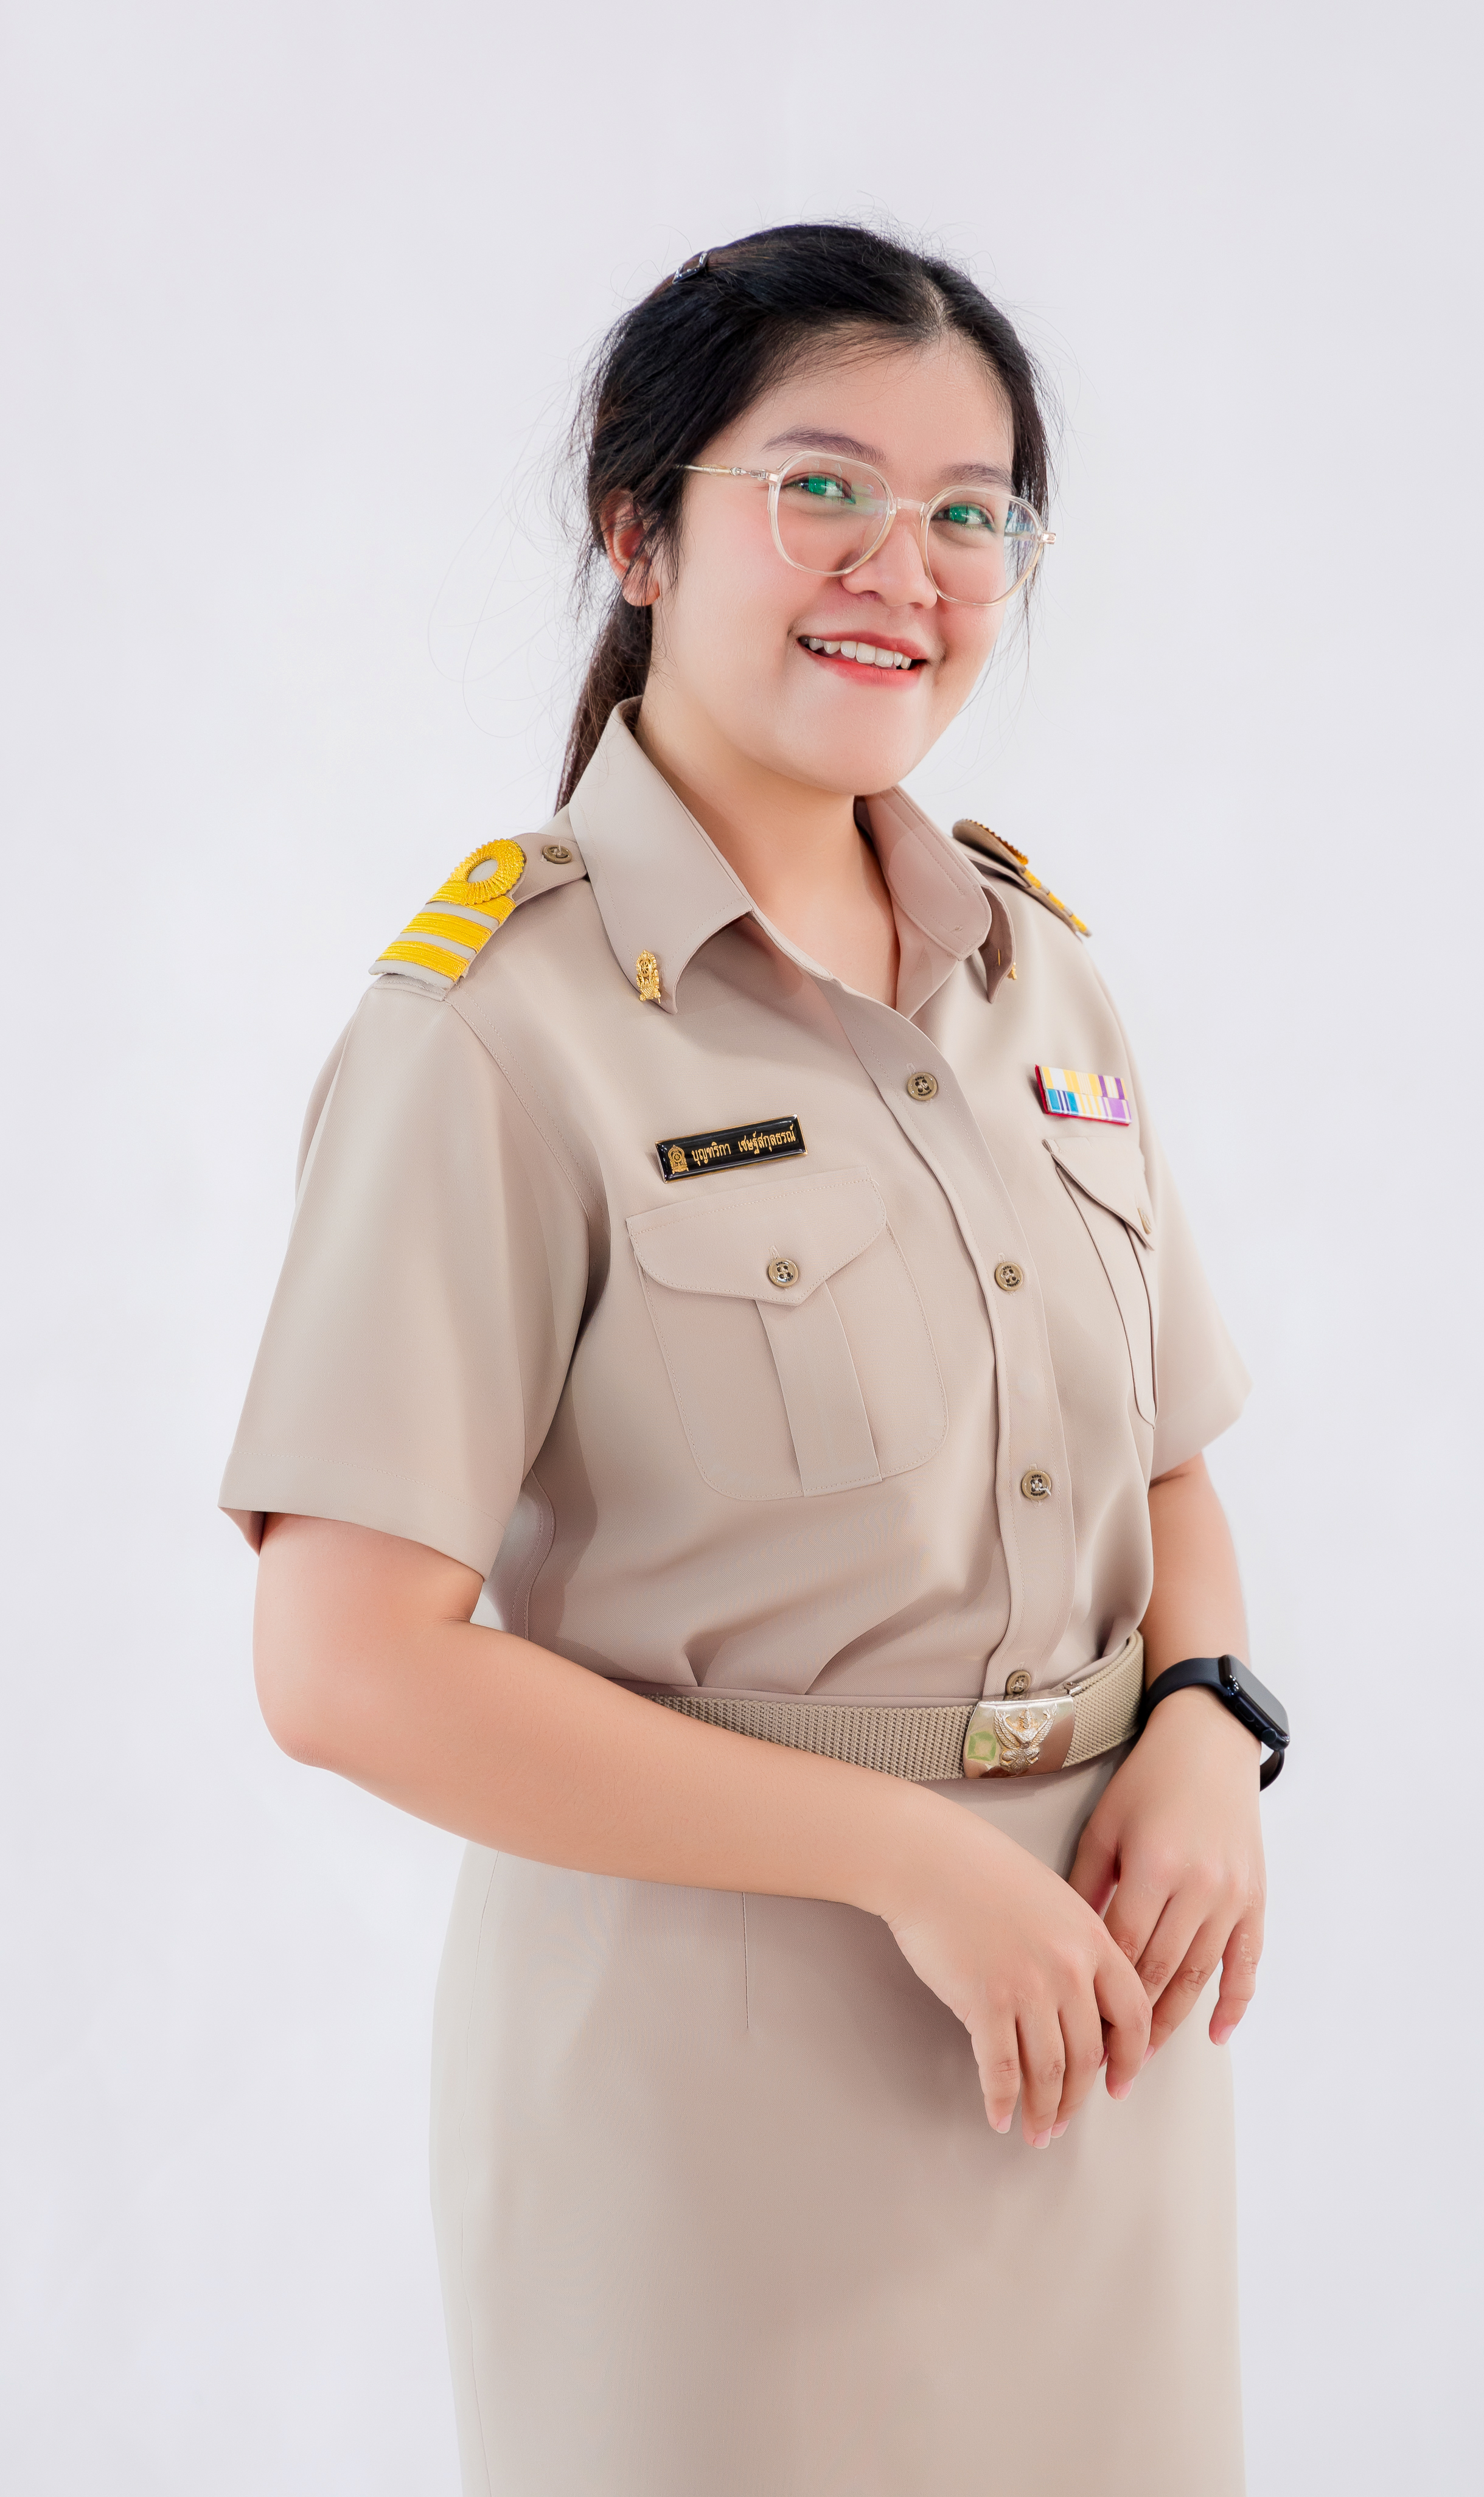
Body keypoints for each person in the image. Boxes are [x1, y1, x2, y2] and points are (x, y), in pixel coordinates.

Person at [223, 222, 1285, 2496]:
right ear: (639, 529)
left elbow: (1166, 1462)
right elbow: (344, 1665)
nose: (905, 566)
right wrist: (911, 1860)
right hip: (706, 2088)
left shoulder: (1039, 982)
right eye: (821, 488)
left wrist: (1209, 1719)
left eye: (973, 511)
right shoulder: (490, 1031)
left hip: (1097, 2035)